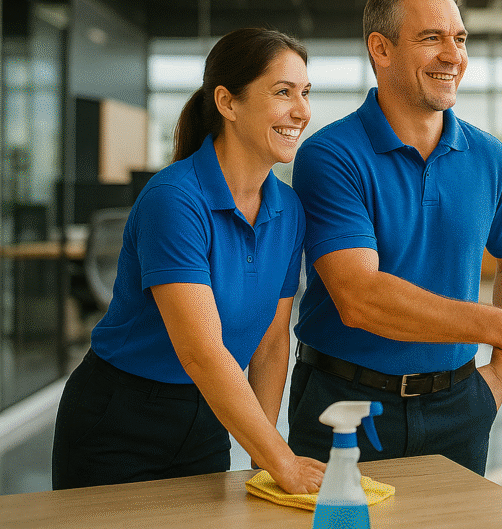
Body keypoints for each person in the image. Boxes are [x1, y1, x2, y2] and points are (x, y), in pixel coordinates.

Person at [286, 0, 502, 476]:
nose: (453, 55)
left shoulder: (489, 156)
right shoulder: (330, 156)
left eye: (459, 38)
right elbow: (359, 298)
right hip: (344, 406)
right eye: (431, 39)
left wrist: (499, 376)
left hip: (460, 404)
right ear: (381, 49)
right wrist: (500, 326)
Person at [52, 27, 326, 493]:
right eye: (283, 92)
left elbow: (272, 340)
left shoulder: (289, 209)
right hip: (119, 420)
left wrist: (264, 453)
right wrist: (279, 460)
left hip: (208, 415)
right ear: (228, 102)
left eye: (304, 93)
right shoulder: (174, 199)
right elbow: (201, 352)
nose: (301, 110)